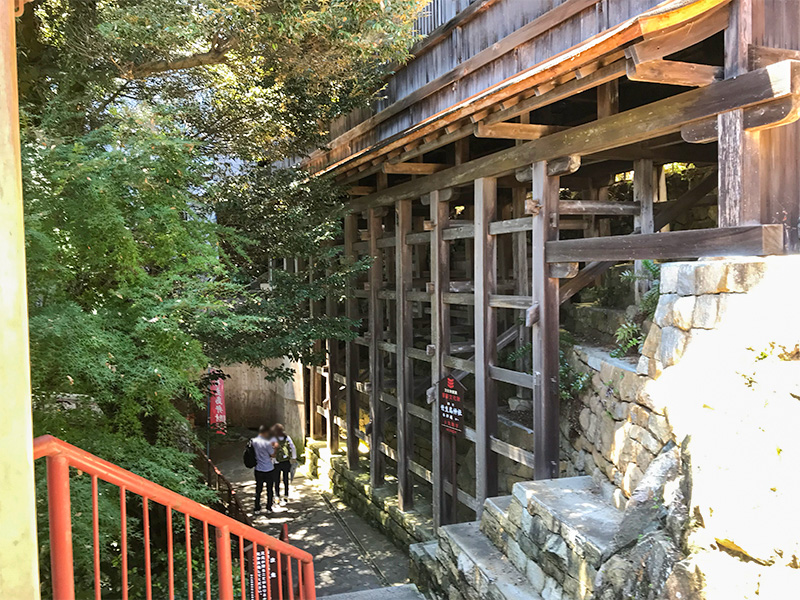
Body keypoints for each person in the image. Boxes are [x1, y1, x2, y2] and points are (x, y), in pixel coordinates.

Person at [252, 424, 277, 514]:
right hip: (268, 468)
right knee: (269, 489)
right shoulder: (267, 443)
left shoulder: (253, 441)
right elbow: (272, 454)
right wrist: (275, 447)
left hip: (258, 468)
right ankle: (268, 507)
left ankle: (257, 508)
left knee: (258, 489)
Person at [270, 423, 297, 503]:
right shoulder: (287, 438)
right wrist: (294, 458)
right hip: (286, 461)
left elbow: (270, 450)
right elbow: (292, 447)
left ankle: (277, 496)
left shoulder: (273, 439)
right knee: (285, 479)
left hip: (276, 462)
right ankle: (286, 495)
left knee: (276, 480)